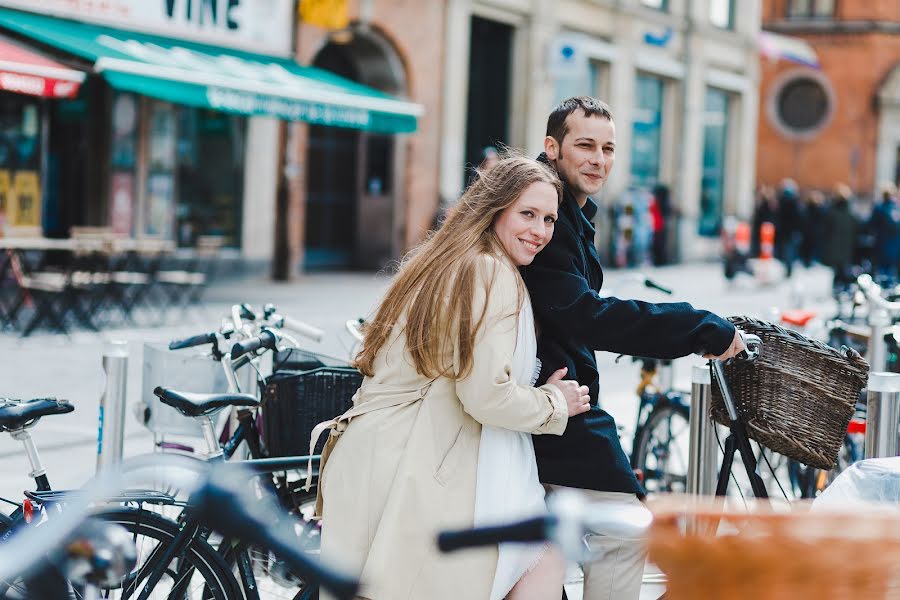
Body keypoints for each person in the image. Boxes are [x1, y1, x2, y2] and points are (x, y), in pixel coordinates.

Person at [313, 155, 591, 599]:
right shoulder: (489, 272)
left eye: (549, 219)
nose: (539, 231)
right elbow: (485, 396)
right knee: (545, 552)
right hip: (415, 468)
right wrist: (555, 401)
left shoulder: (444, 260)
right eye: (527, 214)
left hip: (373, 457)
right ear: (495, 208)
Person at [522, 97, 745, 600]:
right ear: (552, 148)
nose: (598, 159)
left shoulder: (566, 208)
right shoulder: (548, 212)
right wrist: (693, 327)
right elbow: (584, 315)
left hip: (554, 396)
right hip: (553, 403)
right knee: (624, 529)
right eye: (585, 145)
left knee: (546, 546)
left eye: (608, 148)